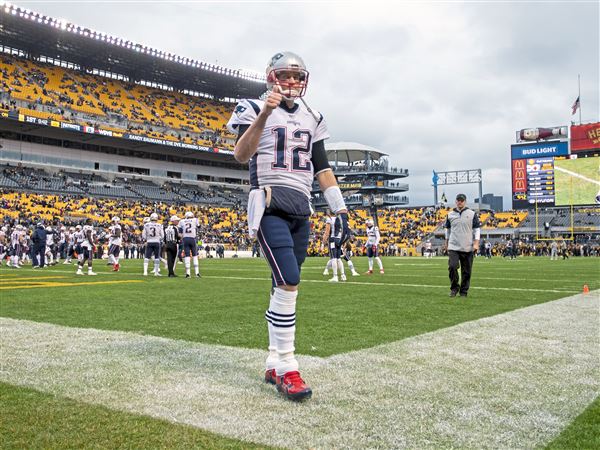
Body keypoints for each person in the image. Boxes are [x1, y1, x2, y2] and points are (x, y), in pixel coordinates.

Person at [227, 51, 348, 401]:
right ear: (271, 77)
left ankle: (271, 358)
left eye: (297, 77)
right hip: (268, 203)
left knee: (283, 284)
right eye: (286, 75)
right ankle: (288, 367)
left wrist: (339, 208)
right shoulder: (251, 106)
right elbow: (241, 154)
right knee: (289, 281)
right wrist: (265, 111)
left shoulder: (313, 116)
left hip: (301, 208)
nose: (293, 82)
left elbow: (322, 167)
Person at [444, 193, 480, 297]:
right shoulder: (450, 214)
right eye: (458, 200)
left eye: (462, 200)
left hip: (467, 246)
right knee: (452, 266)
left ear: (465, 201)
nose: (460, 202)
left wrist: (476, 243)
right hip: (453, 246)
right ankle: (454, 288)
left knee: (467, 271)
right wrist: (446, 243)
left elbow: (476, 229)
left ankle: (464, 291)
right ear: (456, 201)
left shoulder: (472, 214)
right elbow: (448, 230)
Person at [178, 211, 201, 278]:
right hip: (192, 239)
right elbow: (199, 226)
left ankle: (188, 274)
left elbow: (180, 233)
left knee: (187, 255)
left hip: (185, 239)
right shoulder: (195, 220)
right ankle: (197, 273)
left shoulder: (182, 221)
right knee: (194, 255)